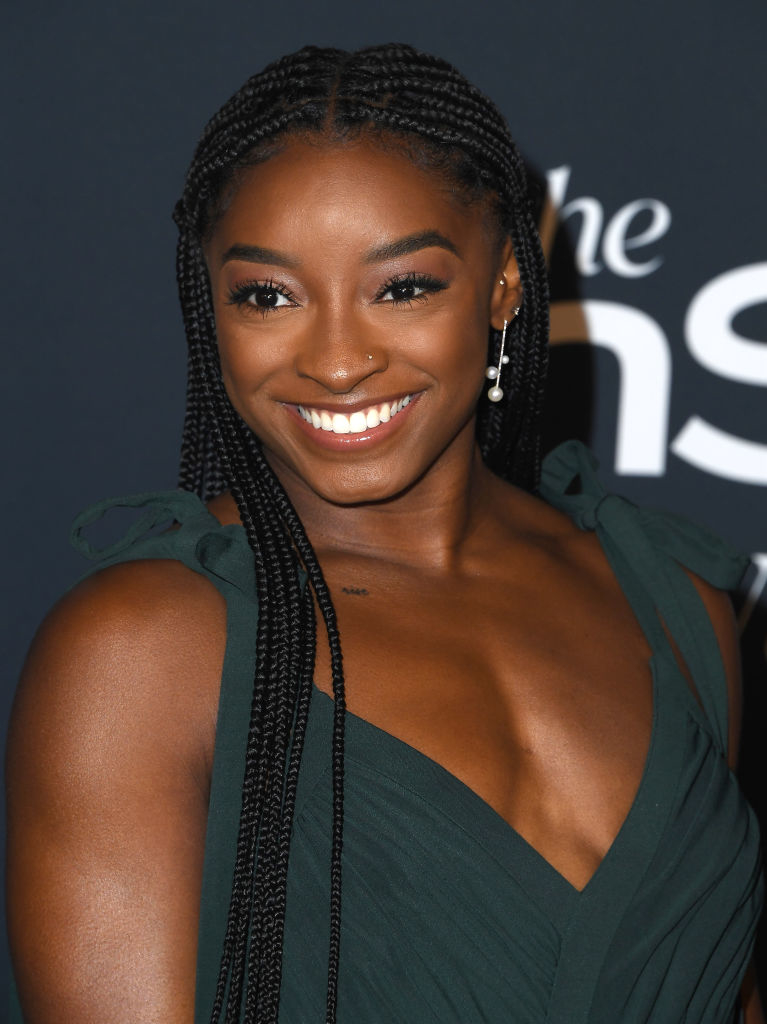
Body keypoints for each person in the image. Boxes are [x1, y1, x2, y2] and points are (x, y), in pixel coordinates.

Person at [6, 43, 763, 1024]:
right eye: (266, 296)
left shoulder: (675, 604)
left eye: (400, 287)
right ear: (211, 311)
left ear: (500, 287)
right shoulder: (145, 649)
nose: (335, 359)